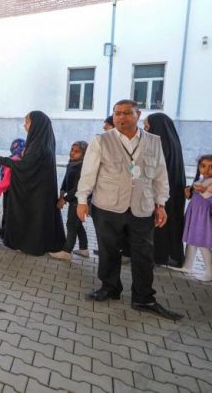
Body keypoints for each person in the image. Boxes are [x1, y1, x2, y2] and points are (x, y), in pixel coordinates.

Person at [76, 99, 182, 320]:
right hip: (107, 206)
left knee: (143, 253)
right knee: (108, 250)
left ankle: (144, 297)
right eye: (117, 113)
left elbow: (161, 175)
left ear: (138, 114)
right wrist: (82, 200)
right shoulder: (101, 141)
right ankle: (110, 288)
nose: (121, 117)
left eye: (126, 113)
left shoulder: (154, 142)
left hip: (141, 207)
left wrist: (161, 204)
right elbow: (88, 173)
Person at [0, 111, 65, 256]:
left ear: (36, 125)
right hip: (39, 191)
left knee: (34, 219)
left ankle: (30, 244)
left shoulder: (37, 145)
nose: (24, 125)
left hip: (37, 193)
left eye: (27, 122)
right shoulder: (42, 141)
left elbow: (24, 166)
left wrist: (1, 159)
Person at [169, 154, 212, 281]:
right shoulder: (202, 180)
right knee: (191, 241)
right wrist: (189, 193)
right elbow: (196, 198)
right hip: (195, 215)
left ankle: (210, 272)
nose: (206, 169)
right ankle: (187, 266)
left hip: (205, 217)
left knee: (203, 243)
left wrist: (202, 191)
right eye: (203, 166)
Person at [144, 113, 187, 267]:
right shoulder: (172, 141)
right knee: (169, 224)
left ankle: (158, 256)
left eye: (147, 126)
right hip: (172, 190)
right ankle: (170, 255)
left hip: (161, 193)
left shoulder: (159, 144)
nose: (145, 129)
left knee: (160, 224)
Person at [50, 141, 90, 260]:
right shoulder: (72, 162)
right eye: (72, 150)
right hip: (72, 198)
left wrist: (65, 199)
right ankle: (84, 249)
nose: (72, 153)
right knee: (77, 224)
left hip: (78, 199)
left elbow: (78, 187)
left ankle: (67, 251)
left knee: (71, 224)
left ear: (84, 153)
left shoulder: (82, 166)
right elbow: (66, 179)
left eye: (77, 151)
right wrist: (62, 191)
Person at [0, 138, 25, 236]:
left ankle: (5, 233)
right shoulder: (20, 160)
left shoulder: (12, 160)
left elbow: (6, 180)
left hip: (9, 191)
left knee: (7, 211)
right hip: (16, 191)